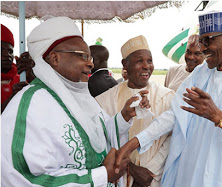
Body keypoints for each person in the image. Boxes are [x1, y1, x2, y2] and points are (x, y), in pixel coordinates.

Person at [116, 11, 222, 187]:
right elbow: (173, 115)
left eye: (208, 40)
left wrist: (221, 119)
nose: (202, 48)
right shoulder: (200, 75)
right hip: (191, 175)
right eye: (201, 41)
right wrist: (134, 143)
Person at [1, 17, 151, 187]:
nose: (90, 64)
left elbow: (97, 139)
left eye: (90, 57)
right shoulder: (30, 106)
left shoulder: (82, 96)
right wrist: (101, 176)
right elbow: (21, 177)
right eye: (83, 56)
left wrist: (123, 117)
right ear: (55, 58)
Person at [96, 35, 175, 187]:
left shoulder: (167, 96)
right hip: (119, 177)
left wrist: (149, 172)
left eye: (149, 61)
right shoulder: (105, 100)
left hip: (154, 178)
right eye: (139, 61)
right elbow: (103, 139)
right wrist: (131, 169)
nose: (146, 66)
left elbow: (171, 139)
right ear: (125, 64)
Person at [1, 24, 35, 113]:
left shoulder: (22, 78)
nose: (7, 54)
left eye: (10, 51)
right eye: (0, 50)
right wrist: (13, 97)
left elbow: (47, 101)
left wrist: (32, 76)